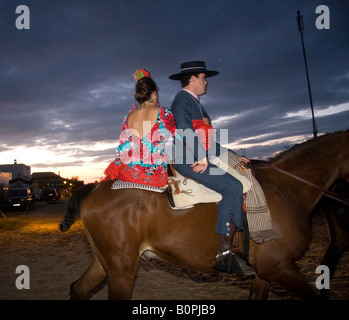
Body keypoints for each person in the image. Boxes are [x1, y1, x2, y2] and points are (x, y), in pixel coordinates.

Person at [169, 61, 250, 273]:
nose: (206, 82)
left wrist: (232, 156)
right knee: (232, 187)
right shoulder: (181, 100)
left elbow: (208, 139)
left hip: (202, 155)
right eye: (204, 78)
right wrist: (202, 156)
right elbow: (184, 129)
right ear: (193, 78)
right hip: (189, 160)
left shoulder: (196, 103)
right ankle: (224, 255)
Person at [104, 69, 177, 187]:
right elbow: (179, 135)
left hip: (130, 174)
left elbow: (122, 150)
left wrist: (115, 168)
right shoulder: (164, 113)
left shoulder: (128, 117)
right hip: (155, 176)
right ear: (154, 94)